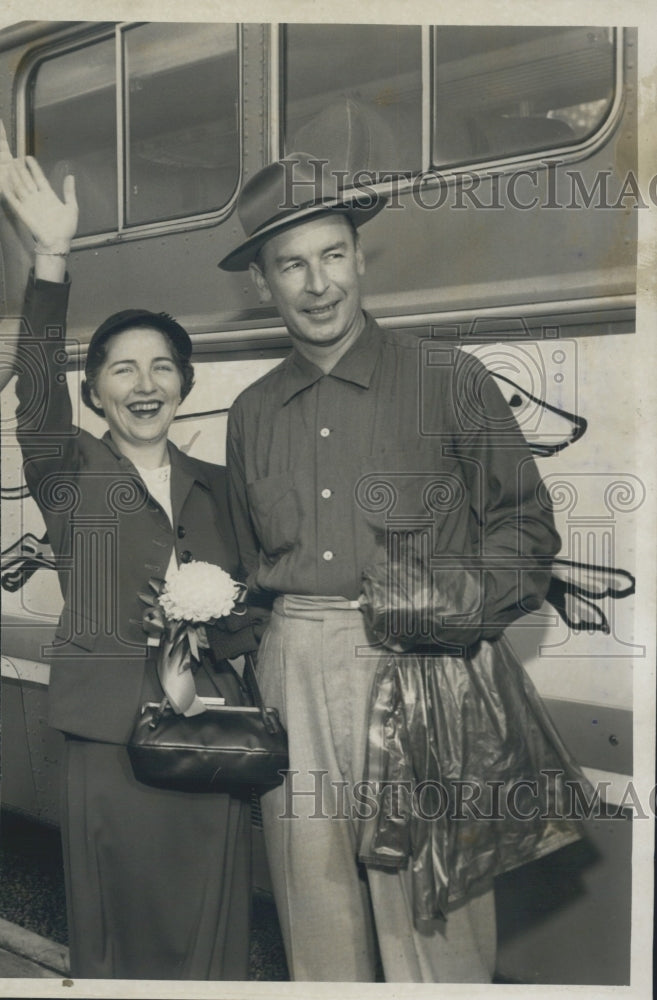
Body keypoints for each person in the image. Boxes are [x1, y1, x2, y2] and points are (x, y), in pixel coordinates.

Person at [220, 153, 587, 982]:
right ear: (263, 285)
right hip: (293, 667)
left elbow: (526, 528)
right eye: (292, 265)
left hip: (423, 666)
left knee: (433, 909)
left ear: (359, 257)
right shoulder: (250, 414)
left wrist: (446, 604)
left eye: (333, 255)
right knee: (311, 909)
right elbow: (250, 564)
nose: (318, 284)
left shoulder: (449, 380)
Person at [0, 130, 257, 980]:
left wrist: (220, 621)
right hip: (107, 737)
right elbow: (33, 390)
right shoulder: (68, 469)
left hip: (209, 734)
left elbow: (259, 602)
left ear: (186, 383)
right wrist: (51, 258)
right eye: (121, 370)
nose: (144, 384)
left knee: (207, 928)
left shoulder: (221, 485)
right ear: (95, 390)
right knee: (119, 933)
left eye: (162, 368)